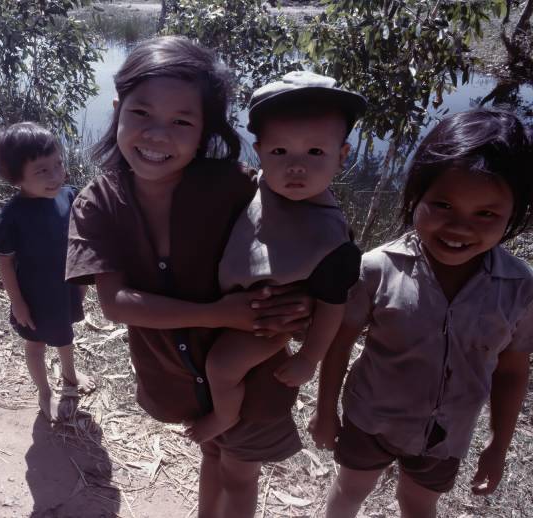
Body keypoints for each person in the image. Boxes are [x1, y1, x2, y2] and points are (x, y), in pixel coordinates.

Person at [66, 36, 312, 518]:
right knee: (213, 454)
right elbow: (115, 304)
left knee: (240, 473)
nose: (158, 136)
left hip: (252, 376)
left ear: (205, 131)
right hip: (176, 381)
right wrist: (217, 314)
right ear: (118, 109)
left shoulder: (238, 189)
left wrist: (304, 303)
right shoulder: (97, 203)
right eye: (141, 114)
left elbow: (313, 249)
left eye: (182, 122)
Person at [309, 109, 533, 518]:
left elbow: (513, 370)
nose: (460, 228)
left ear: (514, 214)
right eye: (443, 205)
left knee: (418, 503)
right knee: (349, 489)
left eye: (486, 214)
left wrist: (498, 446)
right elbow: (339, 342)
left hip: (446, 436)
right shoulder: (377, 268)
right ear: (416, 197)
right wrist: (325, 412)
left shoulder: (519, 289)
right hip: (368, 417)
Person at [187, 71, 365, 443]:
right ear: (259, 151)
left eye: (315, 152)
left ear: (342, 155)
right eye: (279, 152)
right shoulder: (259, 186)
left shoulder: (331, 240)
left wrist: (307, 359)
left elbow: (333, 307)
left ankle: (223, 416)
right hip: (232, 302)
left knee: (221, 366)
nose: (295, 166)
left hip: (267, 323)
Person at [0, 121, 94, 422]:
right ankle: (44, 391)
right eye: (42, 171)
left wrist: (82, 284)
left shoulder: (68, 196)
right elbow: (4, 262)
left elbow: (79, 239)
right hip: (34, 294)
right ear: (16, 177)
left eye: (58, 164)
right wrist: (17, 302)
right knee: (36, 343)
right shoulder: (12, 216)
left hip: (65, 287)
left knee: (65, 334)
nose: (55, 176)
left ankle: (70, 376)